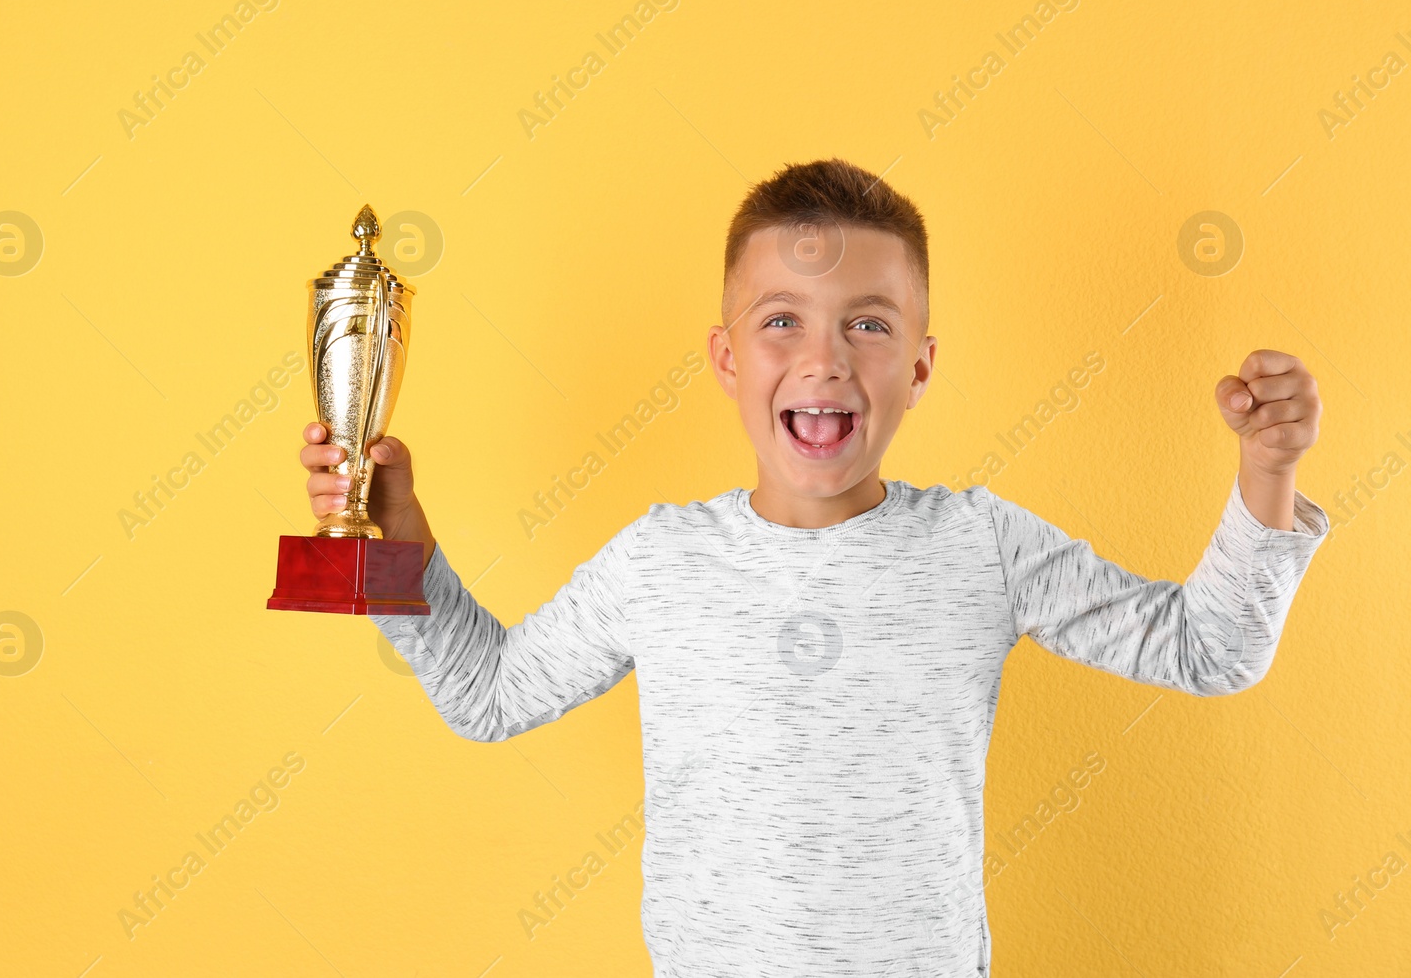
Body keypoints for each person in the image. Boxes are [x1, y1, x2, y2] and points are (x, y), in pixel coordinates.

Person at [297, 158, 1328, 976]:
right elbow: (486, 694)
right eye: (781, 318)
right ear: (727, 359)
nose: (825, 358)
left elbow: (1212, 649)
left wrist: (1266, 471)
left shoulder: (983, 546)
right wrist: (393, 542)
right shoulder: (662, 558)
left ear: (920, 364)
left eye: (869, 324)